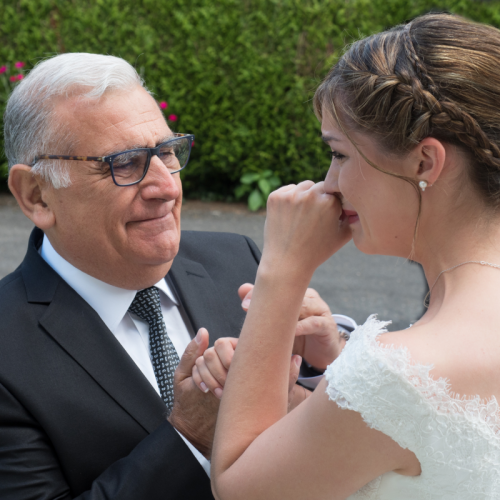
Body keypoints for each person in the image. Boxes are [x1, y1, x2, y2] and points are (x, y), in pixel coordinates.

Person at [0, 53, 348, 499]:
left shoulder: (235, 259)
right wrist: (189, 436)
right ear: (36, 195)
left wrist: (320, 369)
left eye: (166, 152)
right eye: (124, 163)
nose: (166, 187)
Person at [205, 13, 500, 499]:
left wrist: (283, 270)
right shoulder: (400, 378)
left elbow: (237, 485)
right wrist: (338, 368)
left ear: (424, 162)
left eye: (340, 154)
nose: (329, 183)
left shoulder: (398, 375)